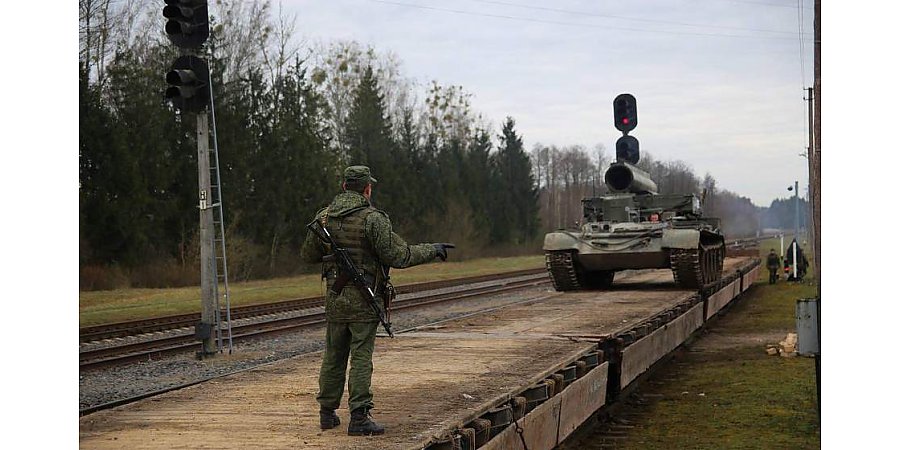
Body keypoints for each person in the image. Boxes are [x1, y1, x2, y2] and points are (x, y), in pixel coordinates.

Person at [301, 165, 454, 436]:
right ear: (367, 189)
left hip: (335, 299)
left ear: (344, 186)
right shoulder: (373, 219)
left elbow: (308, 255)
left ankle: (327, 413)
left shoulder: (324, 217)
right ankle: (359, 417)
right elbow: (399, 256)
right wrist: (433, 250)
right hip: (365, 299)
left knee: (334, 355)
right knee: (361, 357)